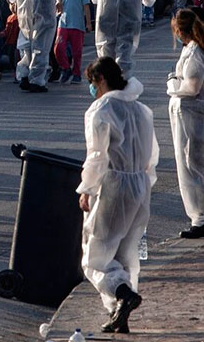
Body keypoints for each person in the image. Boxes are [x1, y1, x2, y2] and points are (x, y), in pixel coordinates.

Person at [78, 57, 158, 334]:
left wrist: (87, 187)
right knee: (126, 251)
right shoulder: (140, 109)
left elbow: (97, 156)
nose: (92, 89)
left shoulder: (101, 108)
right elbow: (152, 154)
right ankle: (118, 313)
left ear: (100, 79)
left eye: (92, 83)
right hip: (139, 183)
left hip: (114, 183)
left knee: (95, 254)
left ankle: (122, 295)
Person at [168, 8, 204, 239]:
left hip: (196, 119)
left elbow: (192, 87)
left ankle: (202, 219)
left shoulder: (194, 52)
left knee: (193, 169)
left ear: (181, 31)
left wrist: (173, 85)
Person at [55, 0, 92, 84]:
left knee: (77, 52)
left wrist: (88, 23)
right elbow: (58, 8)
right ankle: (65, 68)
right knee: (58, 48)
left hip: (77, 24)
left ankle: (76, 74)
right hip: (63, 24)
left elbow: (86, 7)